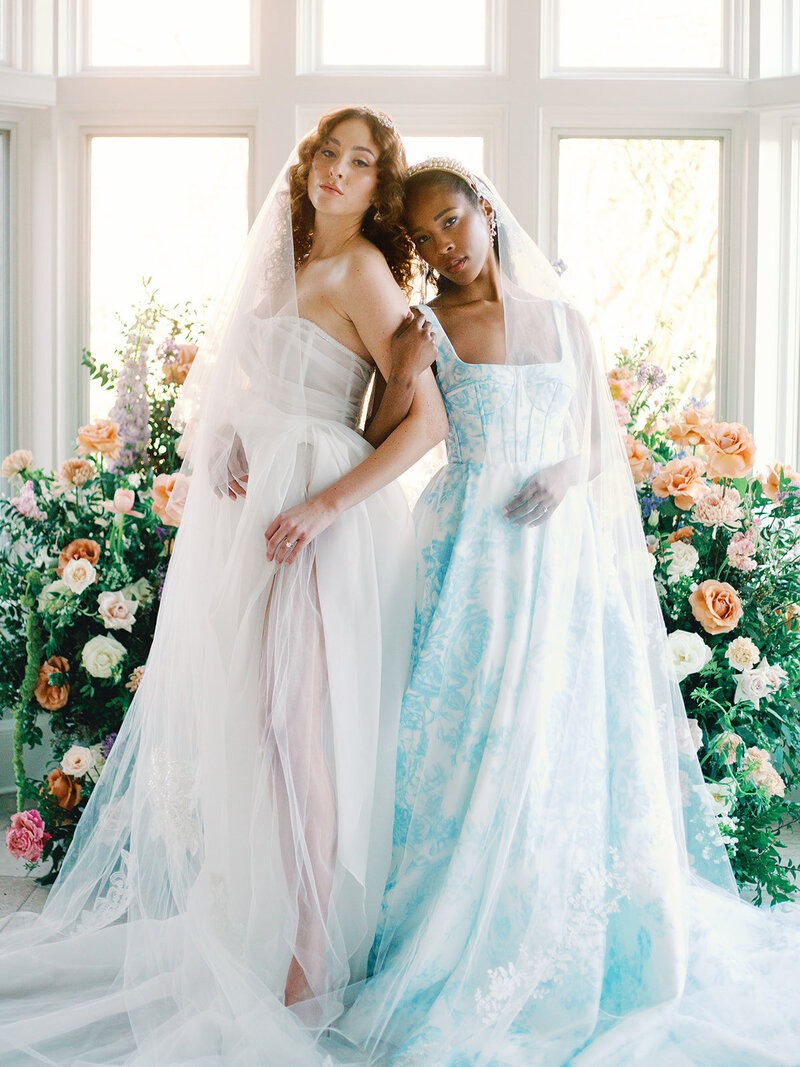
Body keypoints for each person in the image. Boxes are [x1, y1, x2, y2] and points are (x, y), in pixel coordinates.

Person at [0, 108, 446, 1066]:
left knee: (299, 728)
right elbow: (251, 386)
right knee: (259, 729)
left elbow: (426, 422)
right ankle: (273, 926)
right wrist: (232, 434)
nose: (336, 172)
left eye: (360, 163)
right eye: (328, 154)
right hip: (261, 511)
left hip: (320, 516)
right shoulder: (284, 256)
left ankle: (311, 961)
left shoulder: (363, 269)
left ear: (378, 186)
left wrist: (326, 506)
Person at [332, 159, 800, 1066]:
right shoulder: (427, 326)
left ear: (485, 209)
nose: (443, 246)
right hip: (468, 554)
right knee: (466, 738)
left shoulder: (565, 320)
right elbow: (382, 438)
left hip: (558, 554)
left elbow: (596, 442)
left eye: (451, 220)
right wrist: (403, 371)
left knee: (564, 735)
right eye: (424, 238)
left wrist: (561, 473)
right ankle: (453, 932)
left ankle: (562, 932)